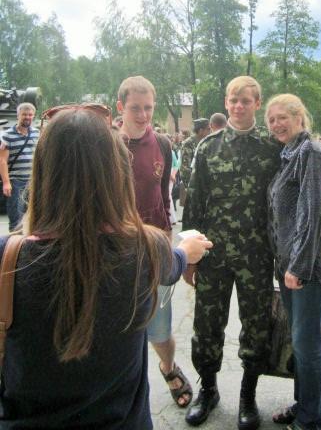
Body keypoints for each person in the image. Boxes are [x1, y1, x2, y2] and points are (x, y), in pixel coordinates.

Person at [0, 106, 212, 429]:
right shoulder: (145, 248)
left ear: (42, 172)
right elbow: (176, 262)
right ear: (115, 172)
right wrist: (189, 247)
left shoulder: (7, 258)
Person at [182, 76, 281, 429]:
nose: (239, 106)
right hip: (213, 253)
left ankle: (247, 395)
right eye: (233, 100)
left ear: (258, 103)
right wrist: (187, 257)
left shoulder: (272, 147)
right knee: (207, 326)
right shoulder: (207, 148)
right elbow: (193, 203)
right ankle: (208, 390)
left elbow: (290, 193)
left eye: (246, 100)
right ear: (226, 103)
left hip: (256, 254)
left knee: (255, 327)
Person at [116, 76, 192, 408]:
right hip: (117, 252)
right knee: (119, 329)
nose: (143, 115)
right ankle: (125, 391)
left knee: (160, 330)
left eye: (148, 108)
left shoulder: (162, 143)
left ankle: (168, 366)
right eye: (135, 108)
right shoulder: (106, 145)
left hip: (157, 248)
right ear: (120, 107)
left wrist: (167, 238)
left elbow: (163, 198)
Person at [266, 94, 321, 430]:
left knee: (307, 349)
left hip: (307, 270)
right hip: (290, 266)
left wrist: (298, 267)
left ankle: (313, 421)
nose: (277, 124)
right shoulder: (289, 153)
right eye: (272, 120)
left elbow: (313, 214)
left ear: (299, 116)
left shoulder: (310, 152)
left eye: (282, 117)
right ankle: (304, 404)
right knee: (301, 343)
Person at [0, 102, 40, 231]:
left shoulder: (36, 133)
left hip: (33, 180)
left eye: (30, 115)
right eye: (24, 114)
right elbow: (2, 161)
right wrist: (6, 183)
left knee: (34, 213)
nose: (27, 117)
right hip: (15, 181)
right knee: (16, 216)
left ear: (33, 116)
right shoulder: (7, 135)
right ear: (18, 115)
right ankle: (15, 243)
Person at [180, 118, 211, 188]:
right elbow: (185, 169)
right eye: (208, 129)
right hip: (194, 185)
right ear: (201, 131)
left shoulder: (208, 142)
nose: (210, 131)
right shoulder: (188, 144)